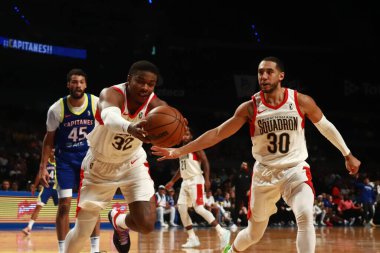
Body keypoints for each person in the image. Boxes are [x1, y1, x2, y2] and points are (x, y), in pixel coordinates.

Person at [152, 56, 361, 253]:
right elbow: (217, 133)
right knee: (254, 233)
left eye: (269, 72)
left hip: (295, 170)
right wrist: (179, 150)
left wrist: (347, 153)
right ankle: (232, 250)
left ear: (281, 76)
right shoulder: (251, 107)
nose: (263, 76)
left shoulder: (300, 101)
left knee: (305, 215)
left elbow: (325, 126)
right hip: (264, 175)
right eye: (260, 72)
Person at [63, 60, 171, 253]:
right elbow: (110, 117)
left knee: (146, 225)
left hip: (132, 164)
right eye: (140, 81)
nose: (145, 87)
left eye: (151, 84)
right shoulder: (111, 93)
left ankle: (119, 221)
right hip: (99, 167)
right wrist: (130, 127)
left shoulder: (155, 105)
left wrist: (176, 127)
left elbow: (169, 120)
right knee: (82, 232)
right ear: (129, 79)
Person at [38, 68, 100, 253]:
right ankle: (62, 249)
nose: (78, 85)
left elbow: (104, 129)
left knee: (91, 204)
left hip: (88, 159)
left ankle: (95, 249)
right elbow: (48, 139)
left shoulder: (96, 103)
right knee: (64, 205)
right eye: (74, 82)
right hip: (65, 161)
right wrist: (43, 168)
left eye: (81, 82)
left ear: (86, 85)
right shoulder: (56, 108)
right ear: (68, 85)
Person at [164, 128, 230, 248]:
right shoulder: (180, 151)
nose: (185, 136)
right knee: (181, 207)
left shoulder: (195, 146)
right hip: (185, 182)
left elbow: (205, 162)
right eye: (183, 134)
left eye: (187, 133)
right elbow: (181, 168)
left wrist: (207, 179)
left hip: (196, 180)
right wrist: (172, 181)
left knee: (199, 208)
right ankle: (192, 237)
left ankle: (222, 232)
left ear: (191, 136)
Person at [22, 149, 59, 235]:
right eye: (52, 151)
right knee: (38, 207)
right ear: (49, 153)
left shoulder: (60, 161)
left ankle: (65, 227)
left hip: (58, 188)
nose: (53, 153)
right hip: (47, 187)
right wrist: (34, 186)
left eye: (54, 151)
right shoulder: (45, 163)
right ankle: (29, 228)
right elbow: (39, 174)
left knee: (63, 209)